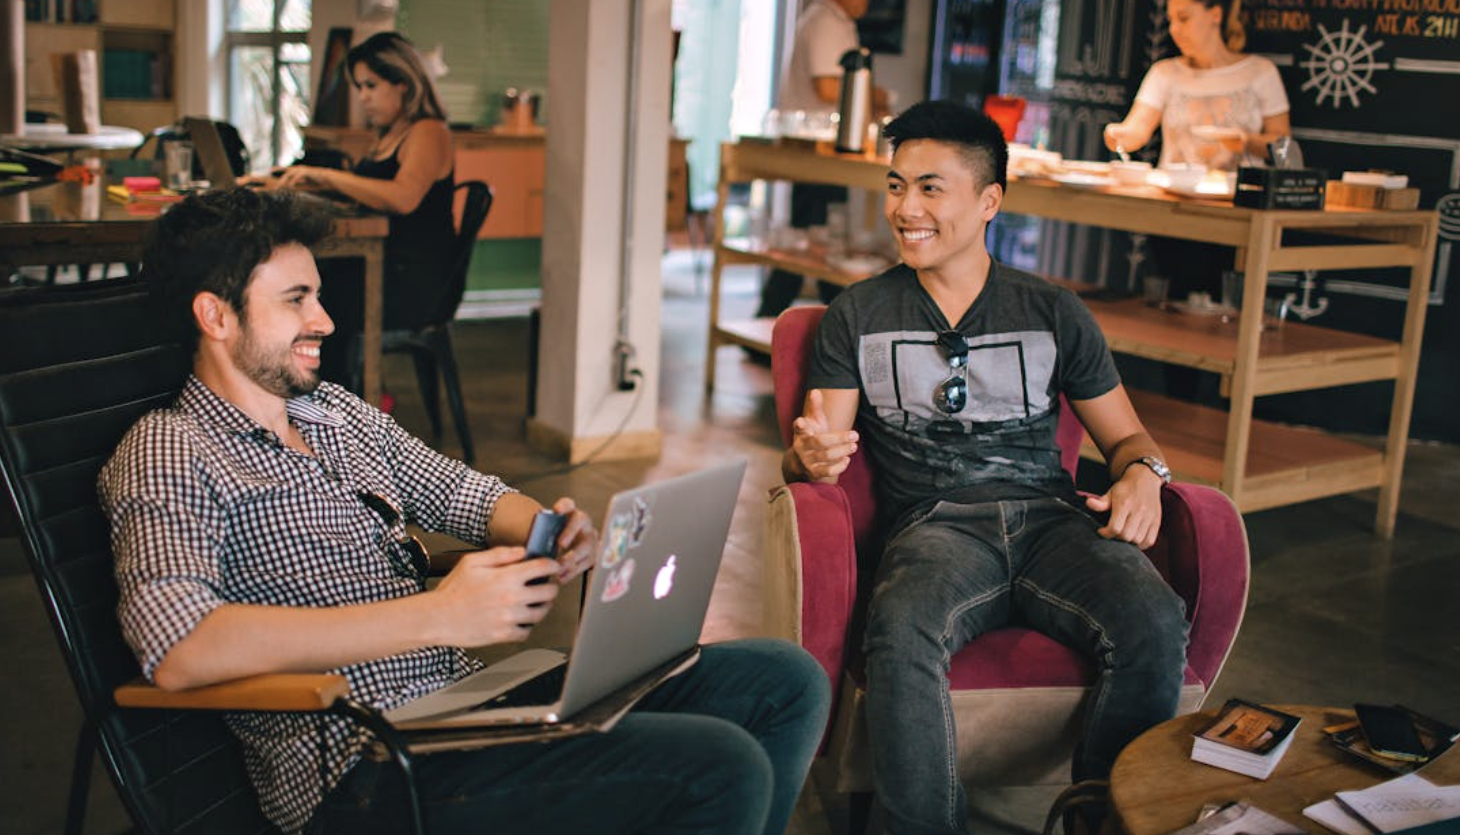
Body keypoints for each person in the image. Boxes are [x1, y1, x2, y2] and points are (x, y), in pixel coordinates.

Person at [99, 187, 830, 835]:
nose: (324, 318)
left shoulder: (332, 414)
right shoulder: (170, 447)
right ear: (215, 315)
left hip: (464, 708)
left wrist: (548, 529)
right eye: (296, 299)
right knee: (718, 765)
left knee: (783, 679)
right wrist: (437, 616)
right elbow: (179, 646)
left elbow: (460, 492)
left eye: (317, 295)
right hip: (363, 767)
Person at [782, 101, 1188, 835]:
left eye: (930, 188)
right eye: (896, 185)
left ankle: (1102, 820)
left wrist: (1143, 473)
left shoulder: (1054, 310)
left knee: (1153, 618)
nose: (906, 209)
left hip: (1054, 522)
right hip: (935, 527)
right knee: (902, 624)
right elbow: (820, 446)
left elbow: (1128, 437)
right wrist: (806, 456)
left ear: (989, 200)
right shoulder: (858, 313)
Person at [248, 31, 458, 388]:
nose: (363, 98)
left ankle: (331, 403)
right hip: (385, 264)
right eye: (360, 87)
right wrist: (295, 182)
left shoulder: (429, 132)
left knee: (313, 299)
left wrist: (325, 176)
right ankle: (308, 397)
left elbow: (402, 196)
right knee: (302, 288)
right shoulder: (390, 133)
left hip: (413, 280)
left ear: (404, 84)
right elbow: (369, 193)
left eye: (371, 86)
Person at [1103, 0, 1291, 301]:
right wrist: (1117, 135)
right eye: (1171, 21)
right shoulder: (1164, 73)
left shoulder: (1259, 72)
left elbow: (1283, 146)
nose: (1175, 30)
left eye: (1184, 19)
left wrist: (1244, 140)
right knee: (1169, 305)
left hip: (1237, 211)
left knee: (1226, 307)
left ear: (1215, 14)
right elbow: (1136, 131)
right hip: (1174, 209)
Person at [755, 0, 889, 321]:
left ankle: (831, 325)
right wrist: (875, 94)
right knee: (814, 241)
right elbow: (827, 85)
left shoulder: (838, 21)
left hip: (828, 149)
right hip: (817, 150)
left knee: (822, 240)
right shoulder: (825, 21)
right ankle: (777, 325)